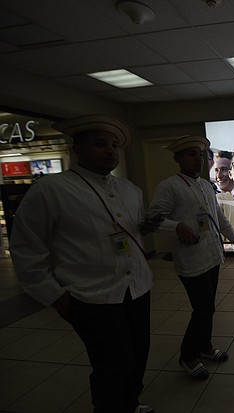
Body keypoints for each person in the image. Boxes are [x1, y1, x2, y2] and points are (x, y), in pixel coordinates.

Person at [9, 114, 157, 413]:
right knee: (112, 365)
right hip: (91, 297)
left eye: (115, 145)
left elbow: (130, 230)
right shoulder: (51, 190)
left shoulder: (130, 190)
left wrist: (146, 227)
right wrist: (56, 297)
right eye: (100, 144)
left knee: (138, 355)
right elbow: (26, 249)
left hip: (138, 288)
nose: (111, 151)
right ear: (77, 148)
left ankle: (129, 402)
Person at [146, 135, 234, 380]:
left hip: (211, 256)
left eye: (200, 154)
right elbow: (152, 220)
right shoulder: (168, 186)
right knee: (202, 309)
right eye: (192, 154)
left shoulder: (205, 186)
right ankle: (187, 356)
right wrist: (177, 226)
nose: (198, 159)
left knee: (208, 307)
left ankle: (205, 346)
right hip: (190, 260)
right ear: (178, 158)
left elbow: (218, 217)